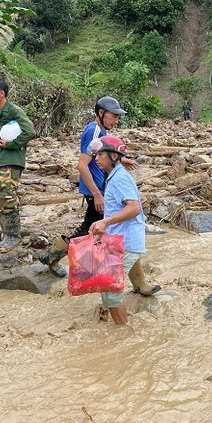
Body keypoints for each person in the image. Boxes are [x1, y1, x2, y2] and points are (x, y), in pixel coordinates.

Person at [39, 97, 160, 297]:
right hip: (98, 192)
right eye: (114, 116)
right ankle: (53, 256)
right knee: (99, 234)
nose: (116, 121)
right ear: (101, 113)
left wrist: (120, 159)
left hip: (101, 190)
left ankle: (138, 284)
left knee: (108, 233)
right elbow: (82, 164)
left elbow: (101, 155)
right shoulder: (94, 131)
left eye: (118, 118)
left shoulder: (100, 131)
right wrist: (97, 194)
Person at [88, 136, 149, 326]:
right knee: (111, 285)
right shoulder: (114, 175)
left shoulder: (120, 178)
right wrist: (104, 228)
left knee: (109, 289)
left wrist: (106, 222)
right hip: (120, 240)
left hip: (126, 242)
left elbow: (134, 208)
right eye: (95, 154)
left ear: (114, 155)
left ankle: (123, 333)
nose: (96, 158)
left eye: (100, 154)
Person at [0, 77, 35, 252]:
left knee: (7, 197)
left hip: (11, 161)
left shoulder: (14, 111)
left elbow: (29, 131)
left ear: (1, 93)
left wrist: (13, 144)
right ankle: (6, 234)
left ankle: (14, 237)